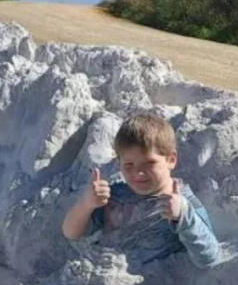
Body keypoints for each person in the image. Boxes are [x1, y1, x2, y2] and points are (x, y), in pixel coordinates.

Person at [62, 112, 220, 269]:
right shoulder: (116, 195)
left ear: (171, 160)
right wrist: (86, 204)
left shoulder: (182, 203)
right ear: (119, 163)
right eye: (128, 165)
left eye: (149, 163)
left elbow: (209, 258)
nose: (138, 173)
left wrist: (184, 216)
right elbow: (72, 233)